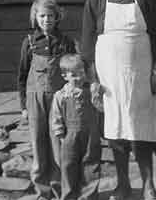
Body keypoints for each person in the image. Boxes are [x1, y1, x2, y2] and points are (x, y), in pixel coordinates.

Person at [81, 0, 156, 200]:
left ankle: (149, 185)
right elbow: (87, 43)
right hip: (110, 75)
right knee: (116, 129)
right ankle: (123, 185)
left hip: (141, 72)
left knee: (142, 129)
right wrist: (94, 80)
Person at [19, 0, 79, 196]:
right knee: (38, 143)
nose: (47, 20)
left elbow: (73, 71)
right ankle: (42, 190)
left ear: (57, 17)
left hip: (58, 101)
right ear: (35, 17)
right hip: (35, 100)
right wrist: (23, 107)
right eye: (42, 16)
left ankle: (58, 188)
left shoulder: (65, 42)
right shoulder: (29, 42)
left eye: (51, 16)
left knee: (57, 144)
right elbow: (22, 76)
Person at [50, 53, 100, 200]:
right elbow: (56, 117)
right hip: (69, 137)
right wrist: (60, 136)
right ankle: (69, 196)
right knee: (68, 167)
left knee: (90, 166)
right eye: (73, 75)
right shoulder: (61, 96)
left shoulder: (91, 91)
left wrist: (97, 92)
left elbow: (101, 108)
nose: (78, 78)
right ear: (65, 76)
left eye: (81, 73)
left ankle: (89, 196)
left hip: (90, 135)